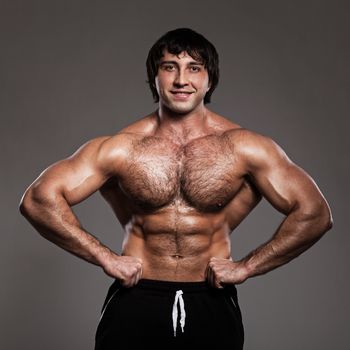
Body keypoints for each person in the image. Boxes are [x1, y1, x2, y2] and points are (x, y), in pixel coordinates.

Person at [19, 28, 333, 349]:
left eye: (194, 68)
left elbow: (315, 214)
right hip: (136, 300)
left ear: (210, 80)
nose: (182, 79)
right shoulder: (121, 148)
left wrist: (248, 266)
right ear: (154, 78)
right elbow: (38, 199)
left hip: (210, 300)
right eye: (170, 67)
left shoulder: (245, 148)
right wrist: (106, 258)